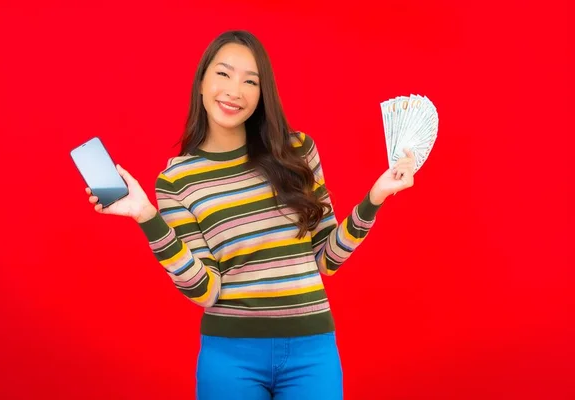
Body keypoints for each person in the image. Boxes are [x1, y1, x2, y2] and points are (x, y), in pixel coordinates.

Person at [85, 30, 416, 400]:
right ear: (201, 82)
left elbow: (326, 259)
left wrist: (374, 198)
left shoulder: (297, 151)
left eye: (250, 80)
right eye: (223, 74)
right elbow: (205, 291)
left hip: (313, 351)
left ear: (261, 94)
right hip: (231, 357)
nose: (235, 90)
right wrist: (146, 215)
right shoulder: (176, 180)